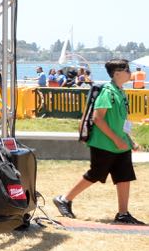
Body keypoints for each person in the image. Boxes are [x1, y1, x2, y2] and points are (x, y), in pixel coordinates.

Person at [53, 59, 143, 225]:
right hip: (104, 143)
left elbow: (121, 121)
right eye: (127, 70)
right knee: (95, 174)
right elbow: (98, 118)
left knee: (124, 176)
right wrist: (116, 139)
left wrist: (130, 140)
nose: (130, 73)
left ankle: (123, 213)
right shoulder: (108, 92)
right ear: (117, 73)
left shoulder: (121, 91)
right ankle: (64, 199)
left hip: (120, 144)